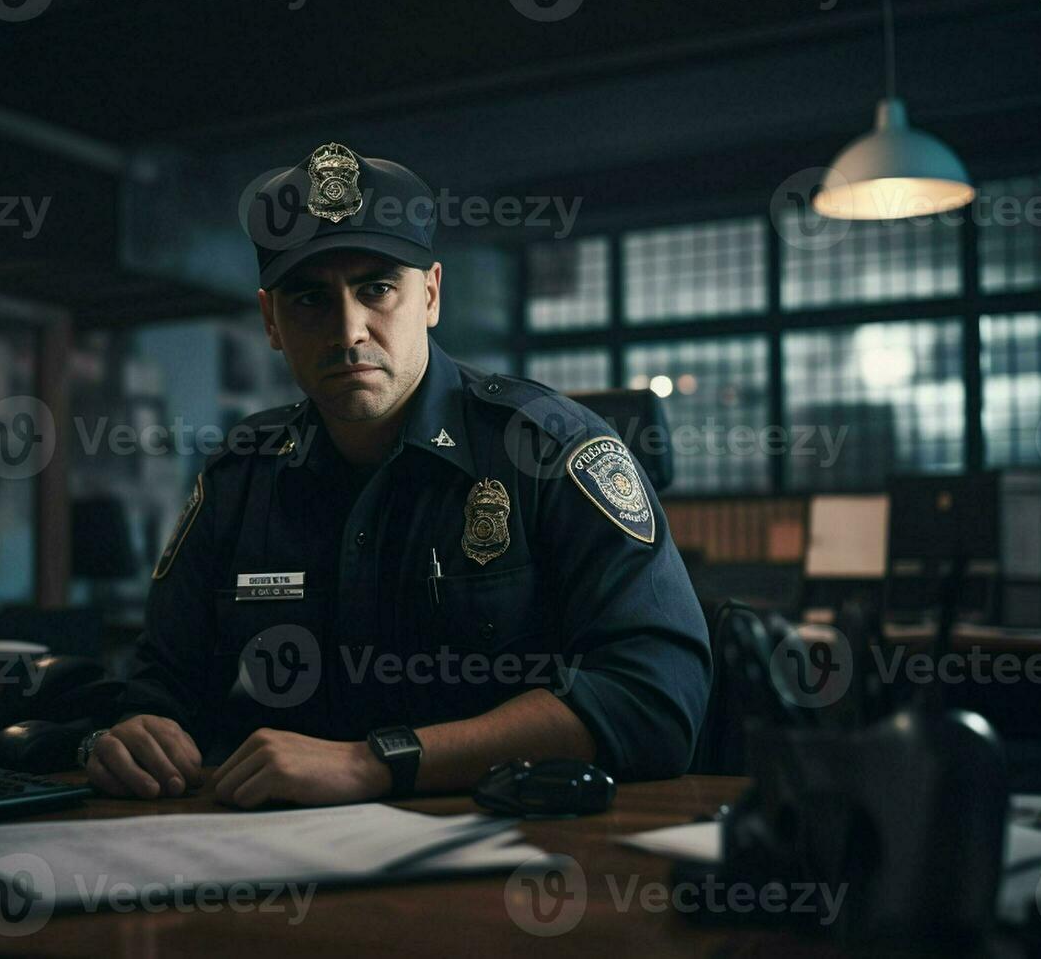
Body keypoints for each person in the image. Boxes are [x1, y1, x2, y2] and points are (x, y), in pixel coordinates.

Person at [82, 143, 711, 808]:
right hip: (267, 866)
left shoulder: (549, 451)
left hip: (507, 860)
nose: (349, 329)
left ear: (431, 294)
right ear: (271, 320)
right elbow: (161, 685)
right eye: (309, 299)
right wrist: (137, 733)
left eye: (377, 288)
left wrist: (376, 763)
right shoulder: (241, 480)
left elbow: (656, 697)